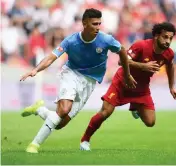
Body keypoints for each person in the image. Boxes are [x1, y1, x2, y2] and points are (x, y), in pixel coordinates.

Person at [19, 8, 136, 153]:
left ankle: (39, 109)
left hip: (90, 82)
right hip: (71, 74)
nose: (98, 27)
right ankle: (34, 145)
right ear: (85, 23)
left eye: (99, 24)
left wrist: (127, 73)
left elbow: (122, 51)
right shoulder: (71, 41)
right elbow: (51, 57)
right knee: (64, 109)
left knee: (59, 123)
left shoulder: (106, 39)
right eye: (94, 24)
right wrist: (35, 70)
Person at [79, 22, 176, 151]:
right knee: (105, 113)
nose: (168, 41)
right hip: (122, 83)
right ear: (156, 36)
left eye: (170, 38)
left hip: (141, 89)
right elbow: (121, 61)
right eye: (165, 37)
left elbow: (171, 66)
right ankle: (85, 140)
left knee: (150, 122)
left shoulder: (169, 53)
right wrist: (143, 66)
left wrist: (171, 87)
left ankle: (135, 107)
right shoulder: (141, 46)